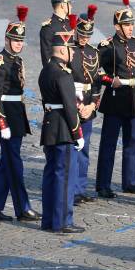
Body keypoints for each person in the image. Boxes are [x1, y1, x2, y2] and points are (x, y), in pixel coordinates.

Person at [0, 6, 40, 223]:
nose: (19, 44)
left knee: (6, 163)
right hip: (6, 117)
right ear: (6, 40)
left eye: (21, 41)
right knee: (14, 164)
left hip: (16, 115)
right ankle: (23, 209)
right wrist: (1, 122)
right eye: (15, 40)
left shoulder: (16, 60)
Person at [96, 0, 135, 198]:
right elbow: (96, 70)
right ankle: (103, 184)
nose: (130, 27)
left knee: (133, 141)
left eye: (131, 24)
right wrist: (109, 81)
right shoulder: (107, 46)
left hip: (133, 98)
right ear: (117, 26)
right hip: (115, 98)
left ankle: (130, 182)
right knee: (108, 143)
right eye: (126, 25)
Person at [38, 20, 86, 234]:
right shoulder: (63, 74)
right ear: (62, 50)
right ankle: (63, 221)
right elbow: (69, 107)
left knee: (51, 176)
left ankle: (48, 219)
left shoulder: (46, 71)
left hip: (49, 128)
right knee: (65, 178)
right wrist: (78, 133)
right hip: (64, 130)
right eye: (71, 50)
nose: (73, 54)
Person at [69, 5, 102, 206]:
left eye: (88, 35)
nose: (84, 38)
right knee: (73, 148)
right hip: (72, 101)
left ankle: (80, 188)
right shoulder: (69, 50)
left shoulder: (94, 53)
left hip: (88, 103)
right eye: (82, 34)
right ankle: (70, 189)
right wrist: (77, 105)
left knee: (85, 149)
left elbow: (96, 84)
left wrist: (92, 106)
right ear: (76, 31)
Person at [40, 0, 73, 67]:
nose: (71, 6)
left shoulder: (69, 23)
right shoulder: (48, 28)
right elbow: (47, 57)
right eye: (69, 4)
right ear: (63, 5)